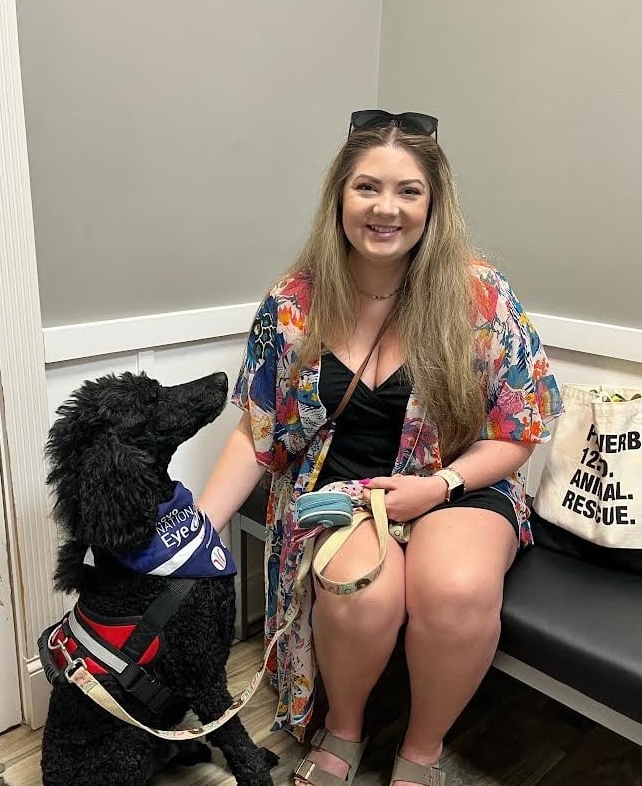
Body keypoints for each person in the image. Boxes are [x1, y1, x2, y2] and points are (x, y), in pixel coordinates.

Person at [198, 109, 563, 786]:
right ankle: (345, 729)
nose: (385, 208)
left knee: (454, 589)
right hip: (347, 494)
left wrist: (437, 487)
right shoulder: (294, 301)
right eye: (367, 187)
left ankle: (421, 751)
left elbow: (519, 429)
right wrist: (196, 533)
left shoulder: (480, 295)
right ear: (339, 195)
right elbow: (256, 430)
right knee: (357, 589)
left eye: (408, 191)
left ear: (434, 203)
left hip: (457, 484)